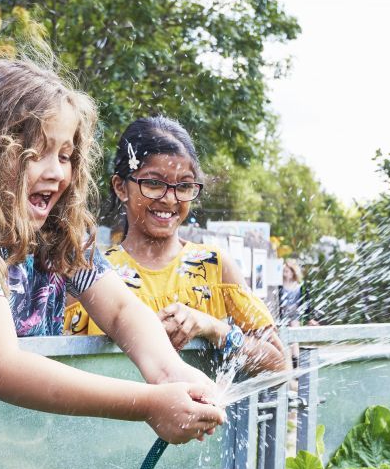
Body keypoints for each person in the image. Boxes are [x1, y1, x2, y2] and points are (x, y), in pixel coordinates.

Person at [0, 59, 225, 445]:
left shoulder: (56, 234)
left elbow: (120, 310)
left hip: (16, 455)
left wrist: (170, 372)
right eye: (35, 153)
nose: (57, 173)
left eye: (65, 155)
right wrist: (147, 403)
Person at [64, 116, 288, 375]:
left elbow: (278, 365)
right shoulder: (91, 272)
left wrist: (213, 328)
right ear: (121, 187)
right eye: (153, 183)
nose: (170, 199)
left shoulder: (214, 266)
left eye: (184, 186)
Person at [279, 259, 318, 368]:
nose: (284, 273)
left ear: (292, 272)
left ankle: (296, 364)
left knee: (294, 339)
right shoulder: (280, 285)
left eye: (287, 271)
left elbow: (307, 302)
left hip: (294, 315)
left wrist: (310, 318)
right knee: (282, 340)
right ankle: (285, 364)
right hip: (282, 315)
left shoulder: (299, 286)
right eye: (284, 271)